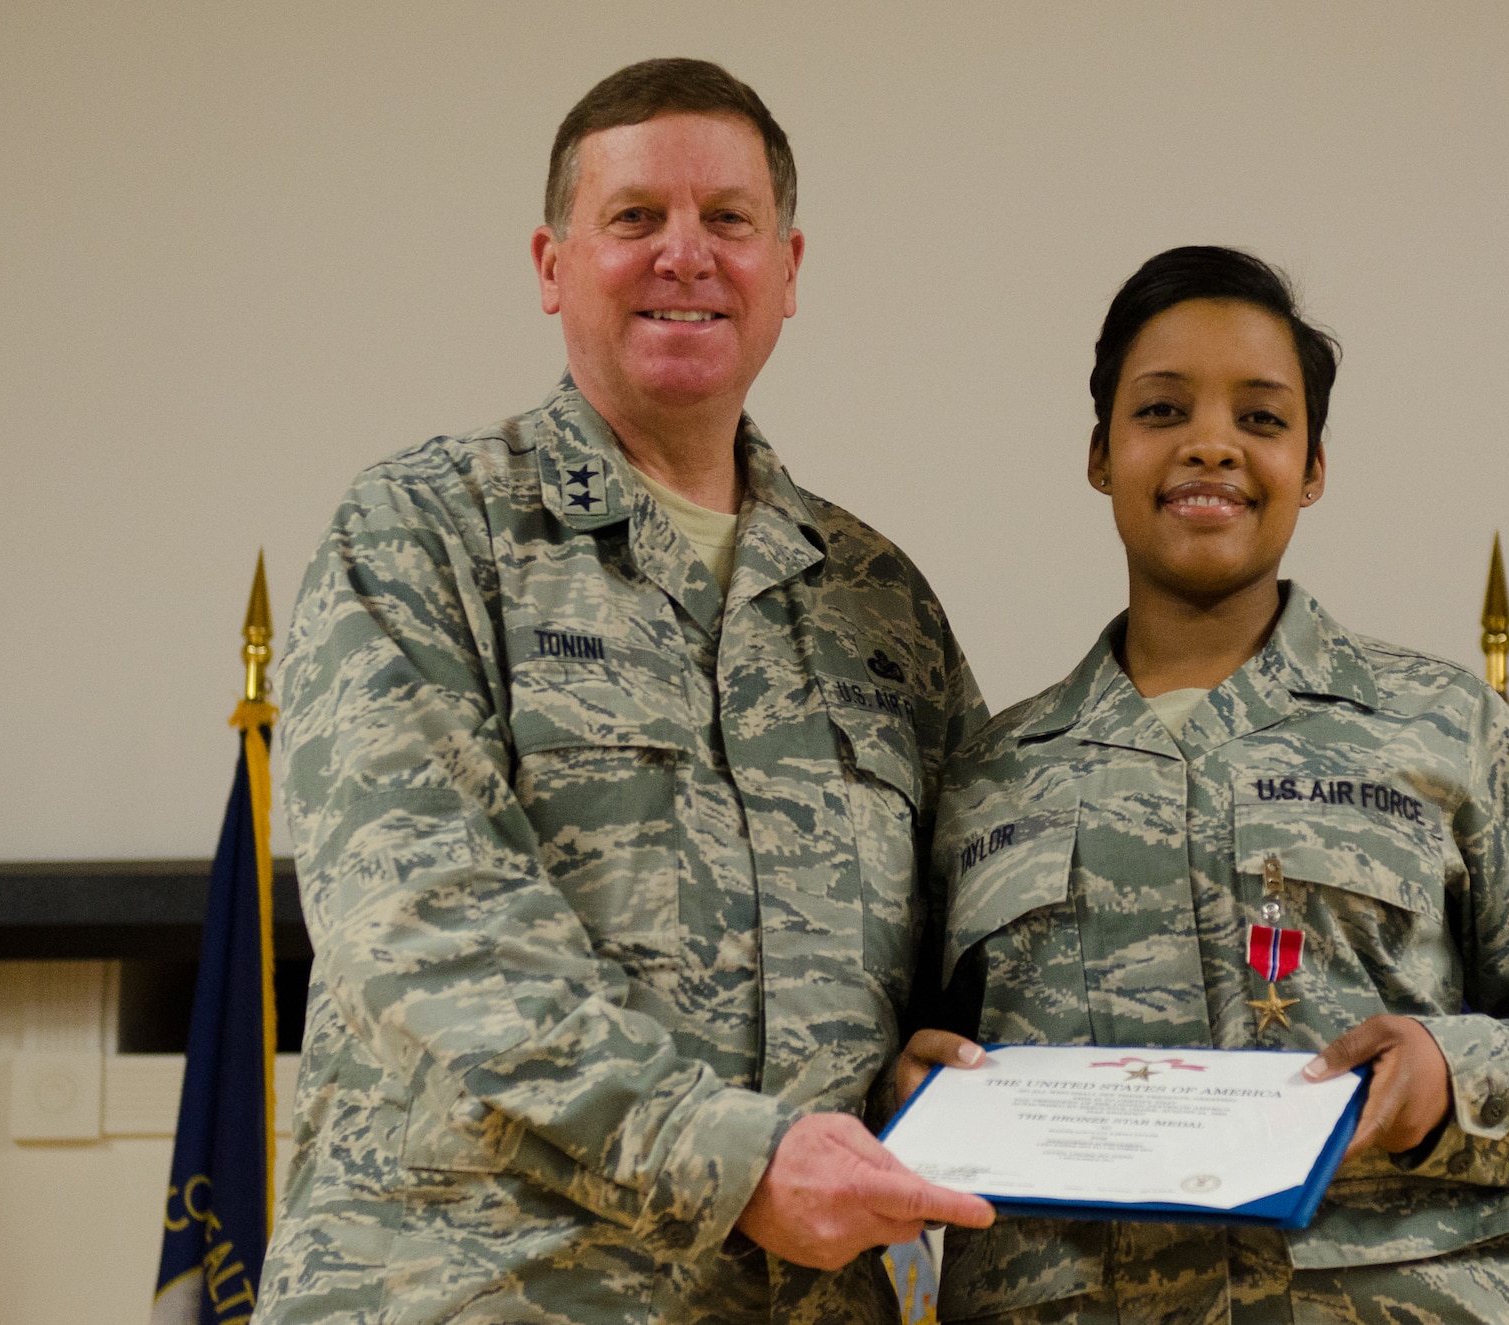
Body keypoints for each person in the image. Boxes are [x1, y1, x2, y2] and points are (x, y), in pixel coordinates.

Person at [255, 58, 993, 1325]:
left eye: (729, 220)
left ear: (789, 269)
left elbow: (959, 945)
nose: (686, 255)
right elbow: (429, 922)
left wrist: (940, 1069)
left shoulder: (879, 607)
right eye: (636, 216)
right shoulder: (426, 533)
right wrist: (731, 1156)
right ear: (552, 264)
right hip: (481, 1291)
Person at [898, 246, 1509, 1324]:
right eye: (1160, 410)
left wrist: (1453, 1073)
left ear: (1313, 465)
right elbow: (889, 1048)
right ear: (1099, 454)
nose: (1210, 443)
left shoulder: (1439, 729)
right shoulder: (986, 775)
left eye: (1260, 417)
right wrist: (902, 1092)